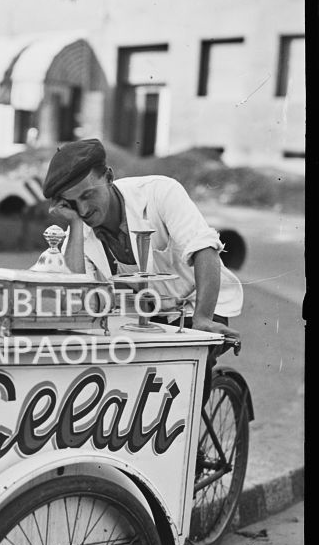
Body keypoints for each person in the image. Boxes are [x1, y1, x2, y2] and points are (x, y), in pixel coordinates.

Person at [43, 138, 243, 399]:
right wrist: (76, 226)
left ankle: (189, 436)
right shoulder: (79, 233)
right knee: (121, 386)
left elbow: (205, 249)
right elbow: (78, 296)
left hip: (199, 305)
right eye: (72, 203)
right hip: (144, 318)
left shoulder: (160, 192)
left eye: (88, 195)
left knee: (184, 386)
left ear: (109, 177)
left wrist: (203, 319)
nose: (83, 210)